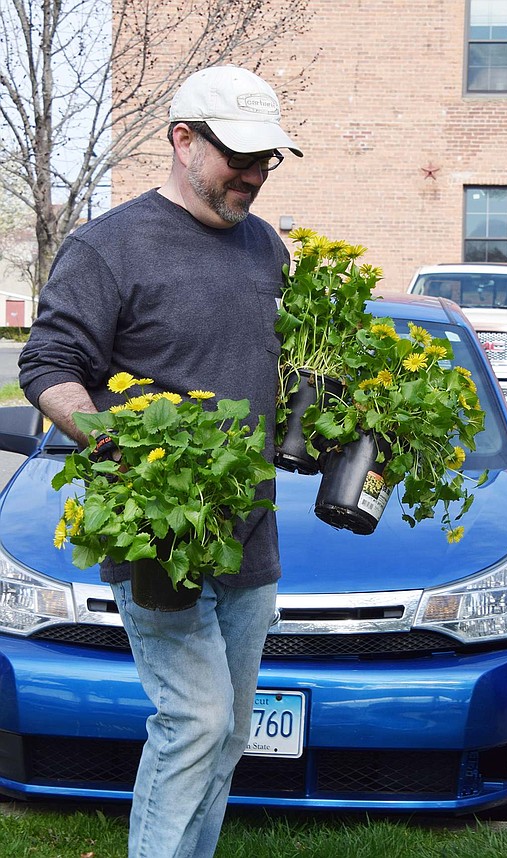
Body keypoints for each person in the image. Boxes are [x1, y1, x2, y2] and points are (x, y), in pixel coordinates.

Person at [19, 64, 303, 858]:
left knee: (228, 734)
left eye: (264, 160)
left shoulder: (263, 246)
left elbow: (271, 366)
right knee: (195, 720)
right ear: (182, 141)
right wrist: (110, 439)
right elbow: (48, 365)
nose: (252, 175)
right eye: (237, 157)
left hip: (249, 532)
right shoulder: (108, 247)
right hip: (158, 529)